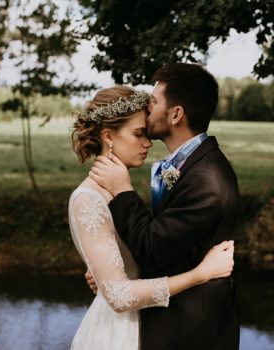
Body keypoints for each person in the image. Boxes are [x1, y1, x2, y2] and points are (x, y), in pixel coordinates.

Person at [68, 85, 235, 349]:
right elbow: (119, 296)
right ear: (108, 137)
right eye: (139, 134)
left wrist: (105, 273)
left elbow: (144, 245)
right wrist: (200, 274)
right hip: (116, 334)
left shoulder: (120, 188)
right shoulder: (87, 198)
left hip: (147, 326)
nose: (148, 143)